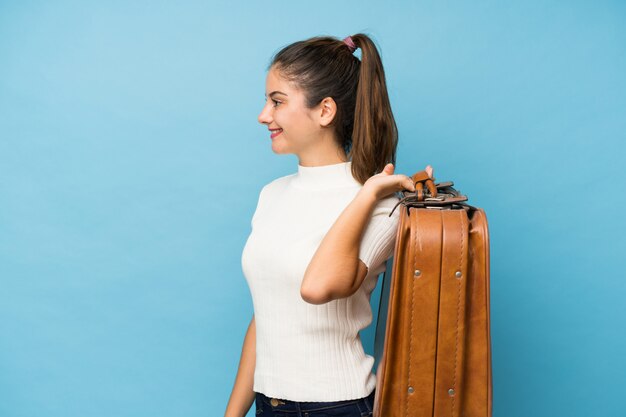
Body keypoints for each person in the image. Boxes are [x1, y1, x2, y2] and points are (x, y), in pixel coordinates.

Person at [225, 33, 424, 417]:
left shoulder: (383, 207)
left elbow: (317, 287)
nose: (263, 115)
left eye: (277, 101)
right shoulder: (271, 194)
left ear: (325, 111)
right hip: (269, 406)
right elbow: (267, 316)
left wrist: (365, 195)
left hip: (339, 407)